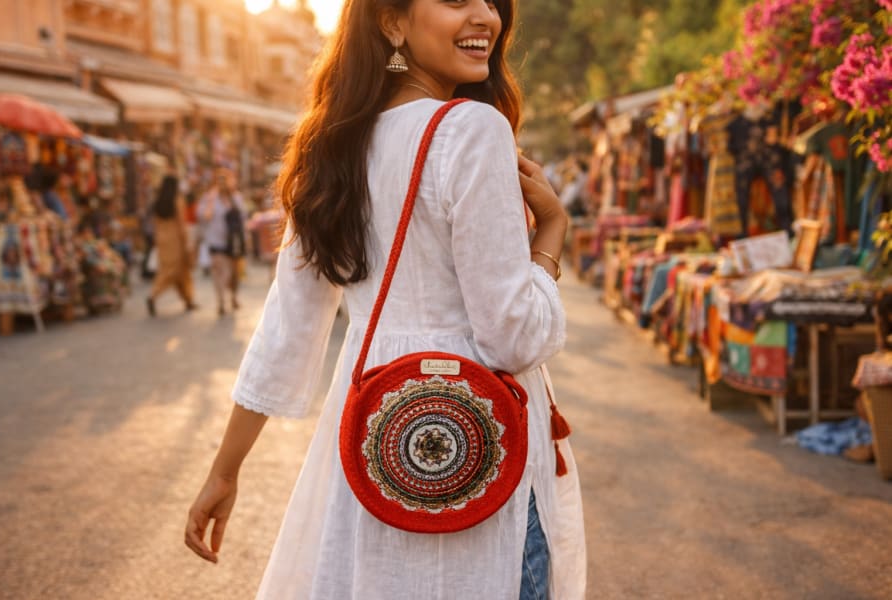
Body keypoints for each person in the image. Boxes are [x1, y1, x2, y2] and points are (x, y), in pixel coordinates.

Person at [184, 1, 586, 598]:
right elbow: (513, 337)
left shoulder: (330, 150)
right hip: (480, 451)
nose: (486, 17)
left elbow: (287, 330)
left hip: (376, 445)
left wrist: (225, 470)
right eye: (456, 0)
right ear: (391, 22)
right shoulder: (473, 129)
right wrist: (551, 231)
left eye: (491, 1)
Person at [197, 168, 246, 316]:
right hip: (215, 241)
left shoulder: (236, 198)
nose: (222, 183)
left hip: (233, 242)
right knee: (219, 271)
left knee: (233, 273)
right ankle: (221, 301)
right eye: (219, 180)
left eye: (225, 180)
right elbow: (203, 216)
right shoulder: (209, 198)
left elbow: (243, 218)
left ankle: (233, 297)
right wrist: (211, 201)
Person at [146, 174, 197, 316]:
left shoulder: (158, 202)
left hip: (162, 241)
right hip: (175, 241)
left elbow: (155, 224)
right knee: (172, 271)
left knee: (178, 272)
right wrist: (186, 242)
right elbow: (181, 224)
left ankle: (188, 300)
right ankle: (153, 295)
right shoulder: (177, 201)